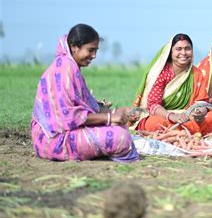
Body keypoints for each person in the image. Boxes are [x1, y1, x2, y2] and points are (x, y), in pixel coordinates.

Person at [31, 24, 139, 162]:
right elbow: (68, 116)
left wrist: (115, 113)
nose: (94, 56)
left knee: (120, 127)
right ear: (74, 47)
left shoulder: (69, 66)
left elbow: (83, 107)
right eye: (90, 50)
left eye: (96, 50)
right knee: (121, 138)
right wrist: (110, 118)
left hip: (58, 136)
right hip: (54, 140)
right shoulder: (65, 69)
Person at [133, 33, 212, 136]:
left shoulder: (196, 73)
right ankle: (186, 133)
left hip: (188, 118)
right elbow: (153, 105)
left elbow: (202, 103)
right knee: (154, 124)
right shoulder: (162, 73)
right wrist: (172, 116)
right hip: (165, 118)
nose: (183, 53)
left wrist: (199, 113)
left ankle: (183, 133)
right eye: (178, 49)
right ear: (170, 52)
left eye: (187, 49)